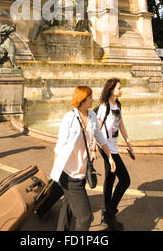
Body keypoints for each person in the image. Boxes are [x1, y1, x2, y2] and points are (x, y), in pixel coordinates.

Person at [50, 86, 116, 231]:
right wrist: (55, 172)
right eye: (90, 97)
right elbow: (59, 146)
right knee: (85, 217)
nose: (93, 99)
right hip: (68, 174)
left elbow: (100, 138)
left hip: (81, 172)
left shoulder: (92, 116)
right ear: (82, 99)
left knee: (68, 205)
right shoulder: (69, 118)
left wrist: (110, 157)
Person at [92, 78, 135, 231]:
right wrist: (93, 148)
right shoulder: (104, 106)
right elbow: (97, 129)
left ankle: (107, 214)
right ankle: (110, 211)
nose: (121, 90)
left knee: (110, 179)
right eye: (119, 88)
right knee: (125, 180)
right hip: (106, 148)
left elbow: (121, 125)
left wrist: (129, 143)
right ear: (111, 90)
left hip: (114, 147)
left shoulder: (118, 105)